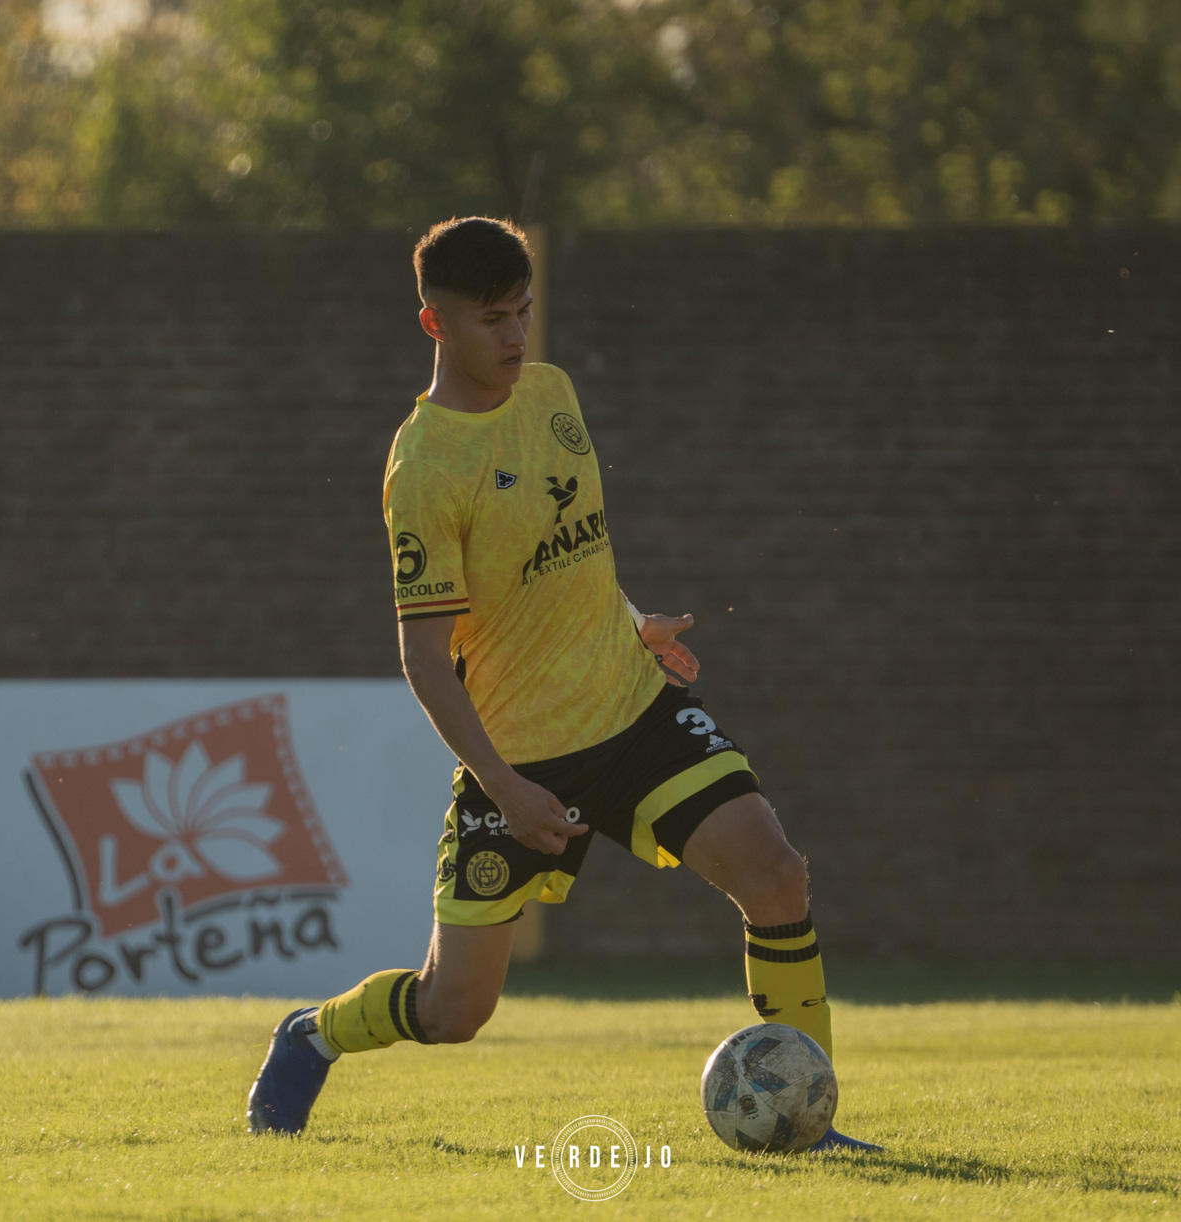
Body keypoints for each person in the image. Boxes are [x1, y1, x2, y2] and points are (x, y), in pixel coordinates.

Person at [248, 216, 878, 1153]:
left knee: (777, 875)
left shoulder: (550, 392)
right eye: (493, 318)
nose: (514, 338)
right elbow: (424, 660)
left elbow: (564, 552)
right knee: (455, 1007)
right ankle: (313, 1035)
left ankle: (807, 1127)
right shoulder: (424, 470)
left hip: (636, 711)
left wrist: (631, 623)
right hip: (524, 760)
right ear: (435, 325)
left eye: (525, 312)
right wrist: (507, 787)